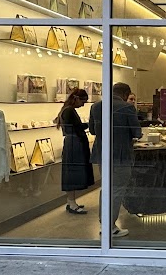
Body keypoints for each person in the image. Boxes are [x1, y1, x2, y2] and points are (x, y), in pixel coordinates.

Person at [89, 82, 142, 238]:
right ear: (126, 94)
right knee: (117, 189)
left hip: (102, 153)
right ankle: (109, 226)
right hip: (121, 154)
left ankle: (104, 223)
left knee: (106, 188)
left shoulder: (96, 106)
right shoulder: (127, 108)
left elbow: (92, 130)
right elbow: (137, 132)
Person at [56, 88, 93, 214]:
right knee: (73, 172)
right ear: (77, 98)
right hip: (74, 144)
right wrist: (90, 124)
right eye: (83, 101)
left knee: (73, 171)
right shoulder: (69, 111)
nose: (83, 104)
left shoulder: (66, 110)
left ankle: (71, 201)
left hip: (73, 142)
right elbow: (78, 127)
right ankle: (71, 202)